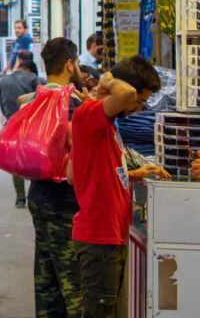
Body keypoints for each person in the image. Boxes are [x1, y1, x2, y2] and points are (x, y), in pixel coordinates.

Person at [72, 57, 169, 318]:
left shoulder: (104, 122)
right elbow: (126, 93)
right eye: (139, 101)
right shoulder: (91, 113)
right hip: (99, 238)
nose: (138, 109)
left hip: (108, 235)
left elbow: (91, 171)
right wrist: (108, 79)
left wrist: (133, 174)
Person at [25, 38, 85, 318]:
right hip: (63, 199)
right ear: (70, 65)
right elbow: (74, 143)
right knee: (72, 282)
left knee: (46, 276)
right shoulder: (68, 101)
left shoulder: (36, 97)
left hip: (39, 194)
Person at [0, 52, 43, 208]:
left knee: (16, 162)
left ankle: (20, 198)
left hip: (12, 125)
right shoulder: (34, 79)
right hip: (32, 126)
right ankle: (34, 195)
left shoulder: (3, 80)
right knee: (35, 161)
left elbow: (1, 104)